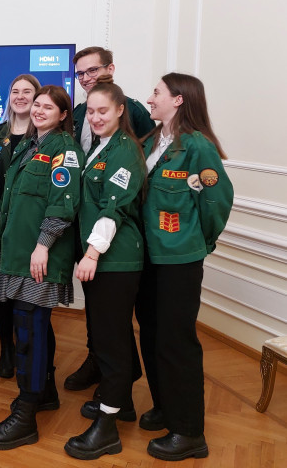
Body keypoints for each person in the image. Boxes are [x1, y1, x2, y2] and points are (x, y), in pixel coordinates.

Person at [135, 73, 233, 461]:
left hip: (179, 261)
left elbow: (216, 202)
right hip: (147, 258)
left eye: (156, 92)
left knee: (177, 343)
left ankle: (190, 431)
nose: (150, 97)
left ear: (178, 100)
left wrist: (197, 243)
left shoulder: (197, 147)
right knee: (153, 335)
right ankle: (165, 407)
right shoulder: (152, 142)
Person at [0, 85, 84, 450]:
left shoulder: (65, 149)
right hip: (15, 253)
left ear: (62, 114)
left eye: (48, 107)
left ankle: (26, 414)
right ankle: (46, 393)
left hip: (39, 257)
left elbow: (63, 203)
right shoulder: (27, 145)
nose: (39, 110)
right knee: (34, 325)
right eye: (37, 105)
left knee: (29, 329)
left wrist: (43, 247)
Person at [63, 75, 146, 460]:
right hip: (101, 258)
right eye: (91, 112)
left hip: (115, 260)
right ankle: (122, 403)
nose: (95, 118)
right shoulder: (100, 146)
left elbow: (114, 206)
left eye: (103, 111)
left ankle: (108, 428)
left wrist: (92, 253)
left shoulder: (125, 149)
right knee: (107, 334)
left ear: (119, 111)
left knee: (110, 342)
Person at [65, 45, 155, 393]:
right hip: (88, 225)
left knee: (113, 321)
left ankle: (116, 388)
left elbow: (137, 167)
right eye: (82, 74)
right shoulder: (78, 113)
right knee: (100, 316)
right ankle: (100, 363)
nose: (87, 78)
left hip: (116, 236)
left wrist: (94, 249)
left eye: (94, 71)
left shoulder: (131, 116)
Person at [0, 74, 41, 380]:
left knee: (28, 293)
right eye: (15, 91)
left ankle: (29, 351)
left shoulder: (46, 135)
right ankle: (6, 349)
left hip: (31, 228)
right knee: (1, 292)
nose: (20, 96)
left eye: (27, 92)